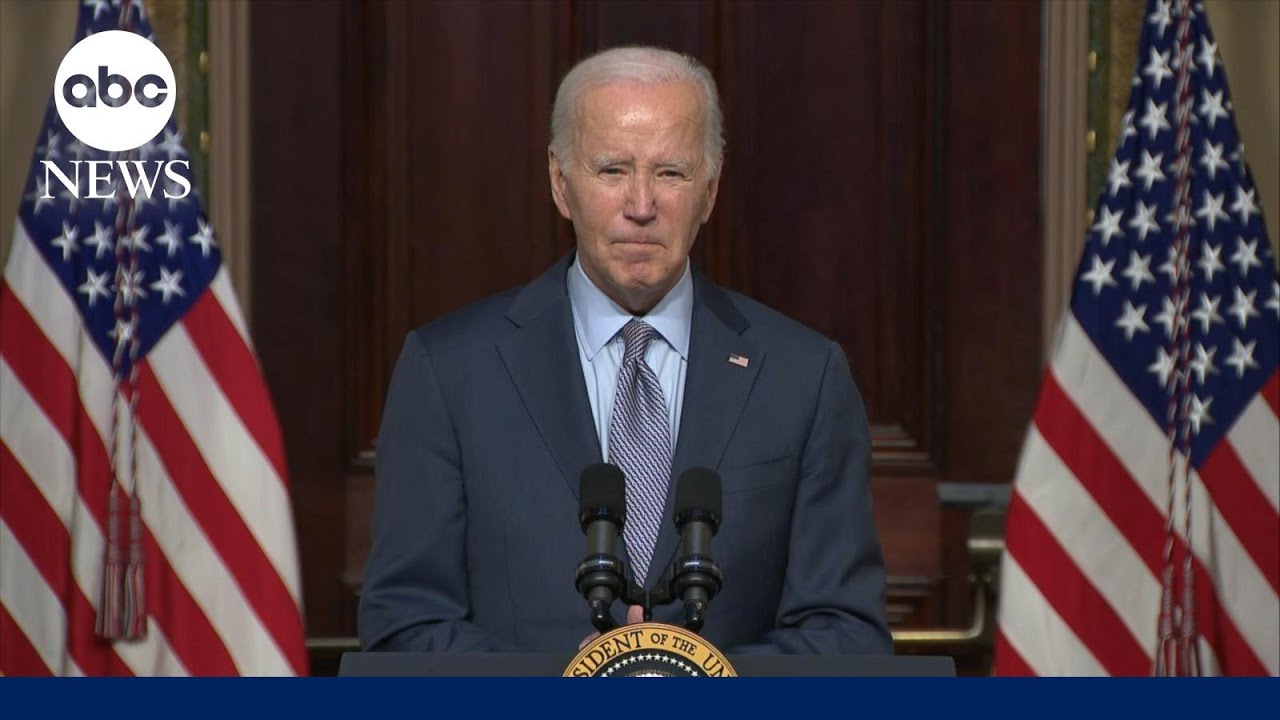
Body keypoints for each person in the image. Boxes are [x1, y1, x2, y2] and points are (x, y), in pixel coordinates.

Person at [357, 46, 893, 655]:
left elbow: (847, 634)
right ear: (561, 183)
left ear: (710, 192)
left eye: (671, 173)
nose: (641, 206)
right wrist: (577, 690)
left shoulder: (804, 376)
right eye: (612, 170)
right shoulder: (449, 370)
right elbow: (404, 624)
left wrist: (679, 681)